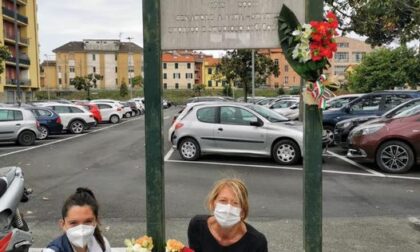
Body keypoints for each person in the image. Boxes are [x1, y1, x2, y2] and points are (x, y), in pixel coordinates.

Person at [188, 178, 268, 252]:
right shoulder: (198, 226)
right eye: (223, 201)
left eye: (235, 203)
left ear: (243, 211)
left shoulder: (256, 243)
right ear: (212, 203)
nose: (228, 209)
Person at [43, 187, 111, 252]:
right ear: (63, 224)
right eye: (73, 223)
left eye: (88, 221)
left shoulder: (101, 244)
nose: (81, 229)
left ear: (96, 221)